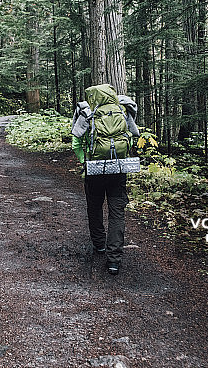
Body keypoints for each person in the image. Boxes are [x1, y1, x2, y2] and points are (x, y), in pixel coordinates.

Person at [71, 84, 139, 275]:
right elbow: (131, 138)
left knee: (94, 207)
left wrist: (85, 161)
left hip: (94, 170)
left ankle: (99, 244)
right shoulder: (122, 110)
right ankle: (114, 261)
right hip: (118, 170)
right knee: (117, 213)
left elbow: (76, 141)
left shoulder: (87, 112)